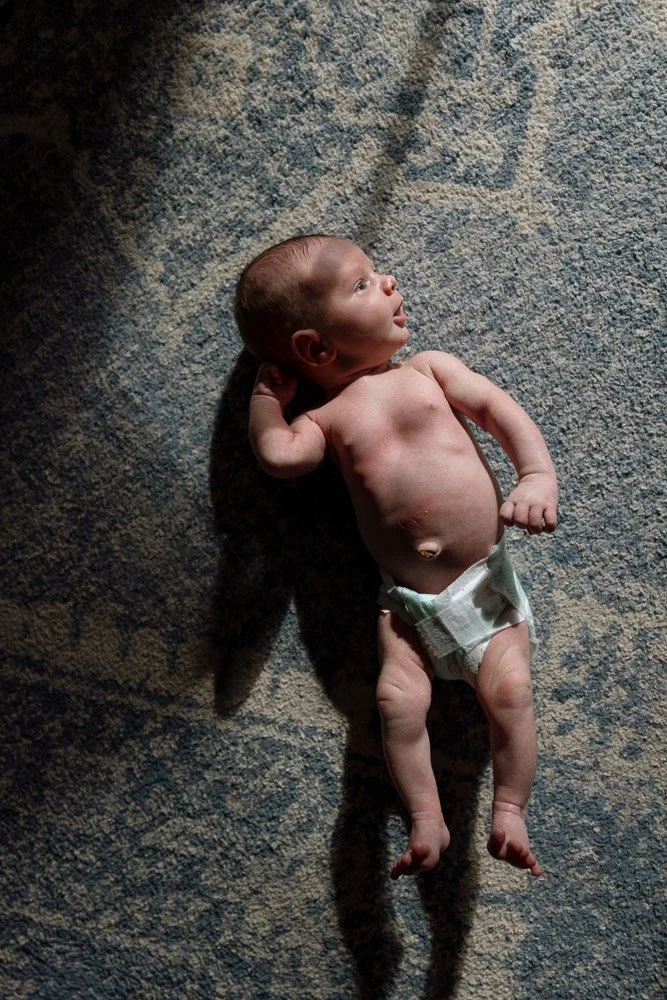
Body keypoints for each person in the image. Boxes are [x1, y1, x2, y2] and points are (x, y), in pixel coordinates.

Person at [235, 234, 558, 879]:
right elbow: (278, 457)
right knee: (395, 703)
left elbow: (497, 410)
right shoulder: (326, 420)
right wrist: (266, 401)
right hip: (405, 606)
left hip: (482, 583)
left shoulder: (428, 371)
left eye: (376, 273)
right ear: (316, 349)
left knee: (512, 691)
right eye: (361, 284)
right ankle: (426, 817)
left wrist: (536, 475)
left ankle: (511, 807)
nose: (386, 282)